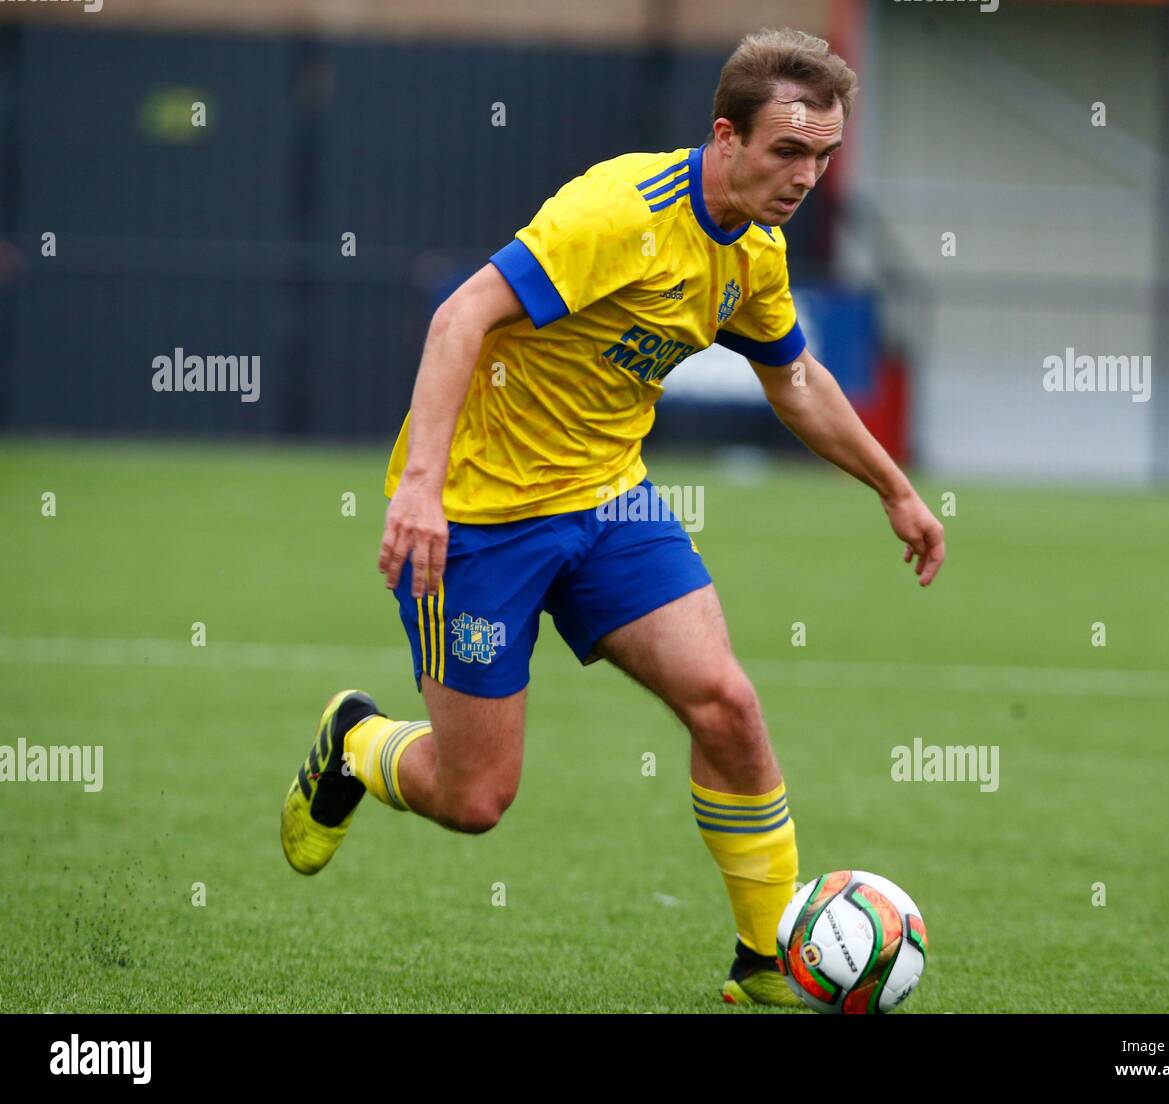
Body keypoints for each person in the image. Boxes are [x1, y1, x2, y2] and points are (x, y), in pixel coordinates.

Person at [279, 26, 945, 1008]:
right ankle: (354, 744)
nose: (806, 176)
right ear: (726, 136)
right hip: (478, 519)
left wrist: (892, 487)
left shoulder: (752, 251)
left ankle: (764, 957)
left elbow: (794, 379)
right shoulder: (616, 212)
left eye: (824, 156)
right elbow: (462, 315)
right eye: (787, 151)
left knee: (726, 704)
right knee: (475, 800)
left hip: (607, 504)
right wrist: (421, 487)